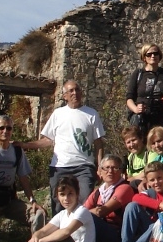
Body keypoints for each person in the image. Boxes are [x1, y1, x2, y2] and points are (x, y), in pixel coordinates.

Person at [17, 80, 105, 210]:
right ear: (65, 96)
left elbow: (99, 143)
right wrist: (24, 145)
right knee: (58, 206)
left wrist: (100, 167)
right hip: (59, 167)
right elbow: (47, 140)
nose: (75, 93)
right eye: (71, 91)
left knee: (85, 204)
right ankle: (59, 230)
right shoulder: (58, 114)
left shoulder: (91, 114)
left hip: (84, 167)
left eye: (77, 89)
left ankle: (81, 230)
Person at [83, 155, 135, 242]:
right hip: (101, 235)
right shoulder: (98, 192)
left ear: (121, 171)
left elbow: (101, 211)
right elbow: (81, 211)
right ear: (100, 172)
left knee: (87, 218)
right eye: (106, 168)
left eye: (115, 168)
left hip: (117, 237)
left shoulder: (125, 188)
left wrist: (85, 214)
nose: (110, 171)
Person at [124, 43, 163, 135]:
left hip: (161, 118)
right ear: (144, 57)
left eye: (156, 53)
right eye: (149, 54)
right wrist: (136, 109)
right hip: (143, 119)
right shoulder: (138, 74)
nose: (153, 56)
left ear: (159, 56)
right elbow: (129, 98)